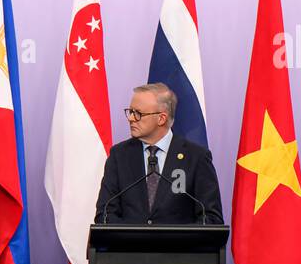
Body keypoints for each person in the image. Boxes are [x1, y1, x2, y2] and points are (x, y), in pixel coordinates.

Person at [94, 82, 223, 225]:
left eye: (138, 114)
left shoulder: (196, 157)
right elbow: (105, 215)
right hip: (130, 247)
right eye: (130, 112)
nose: (131, 118)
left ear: (161, 118)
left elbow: (210, 218)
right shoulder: (119, 155)